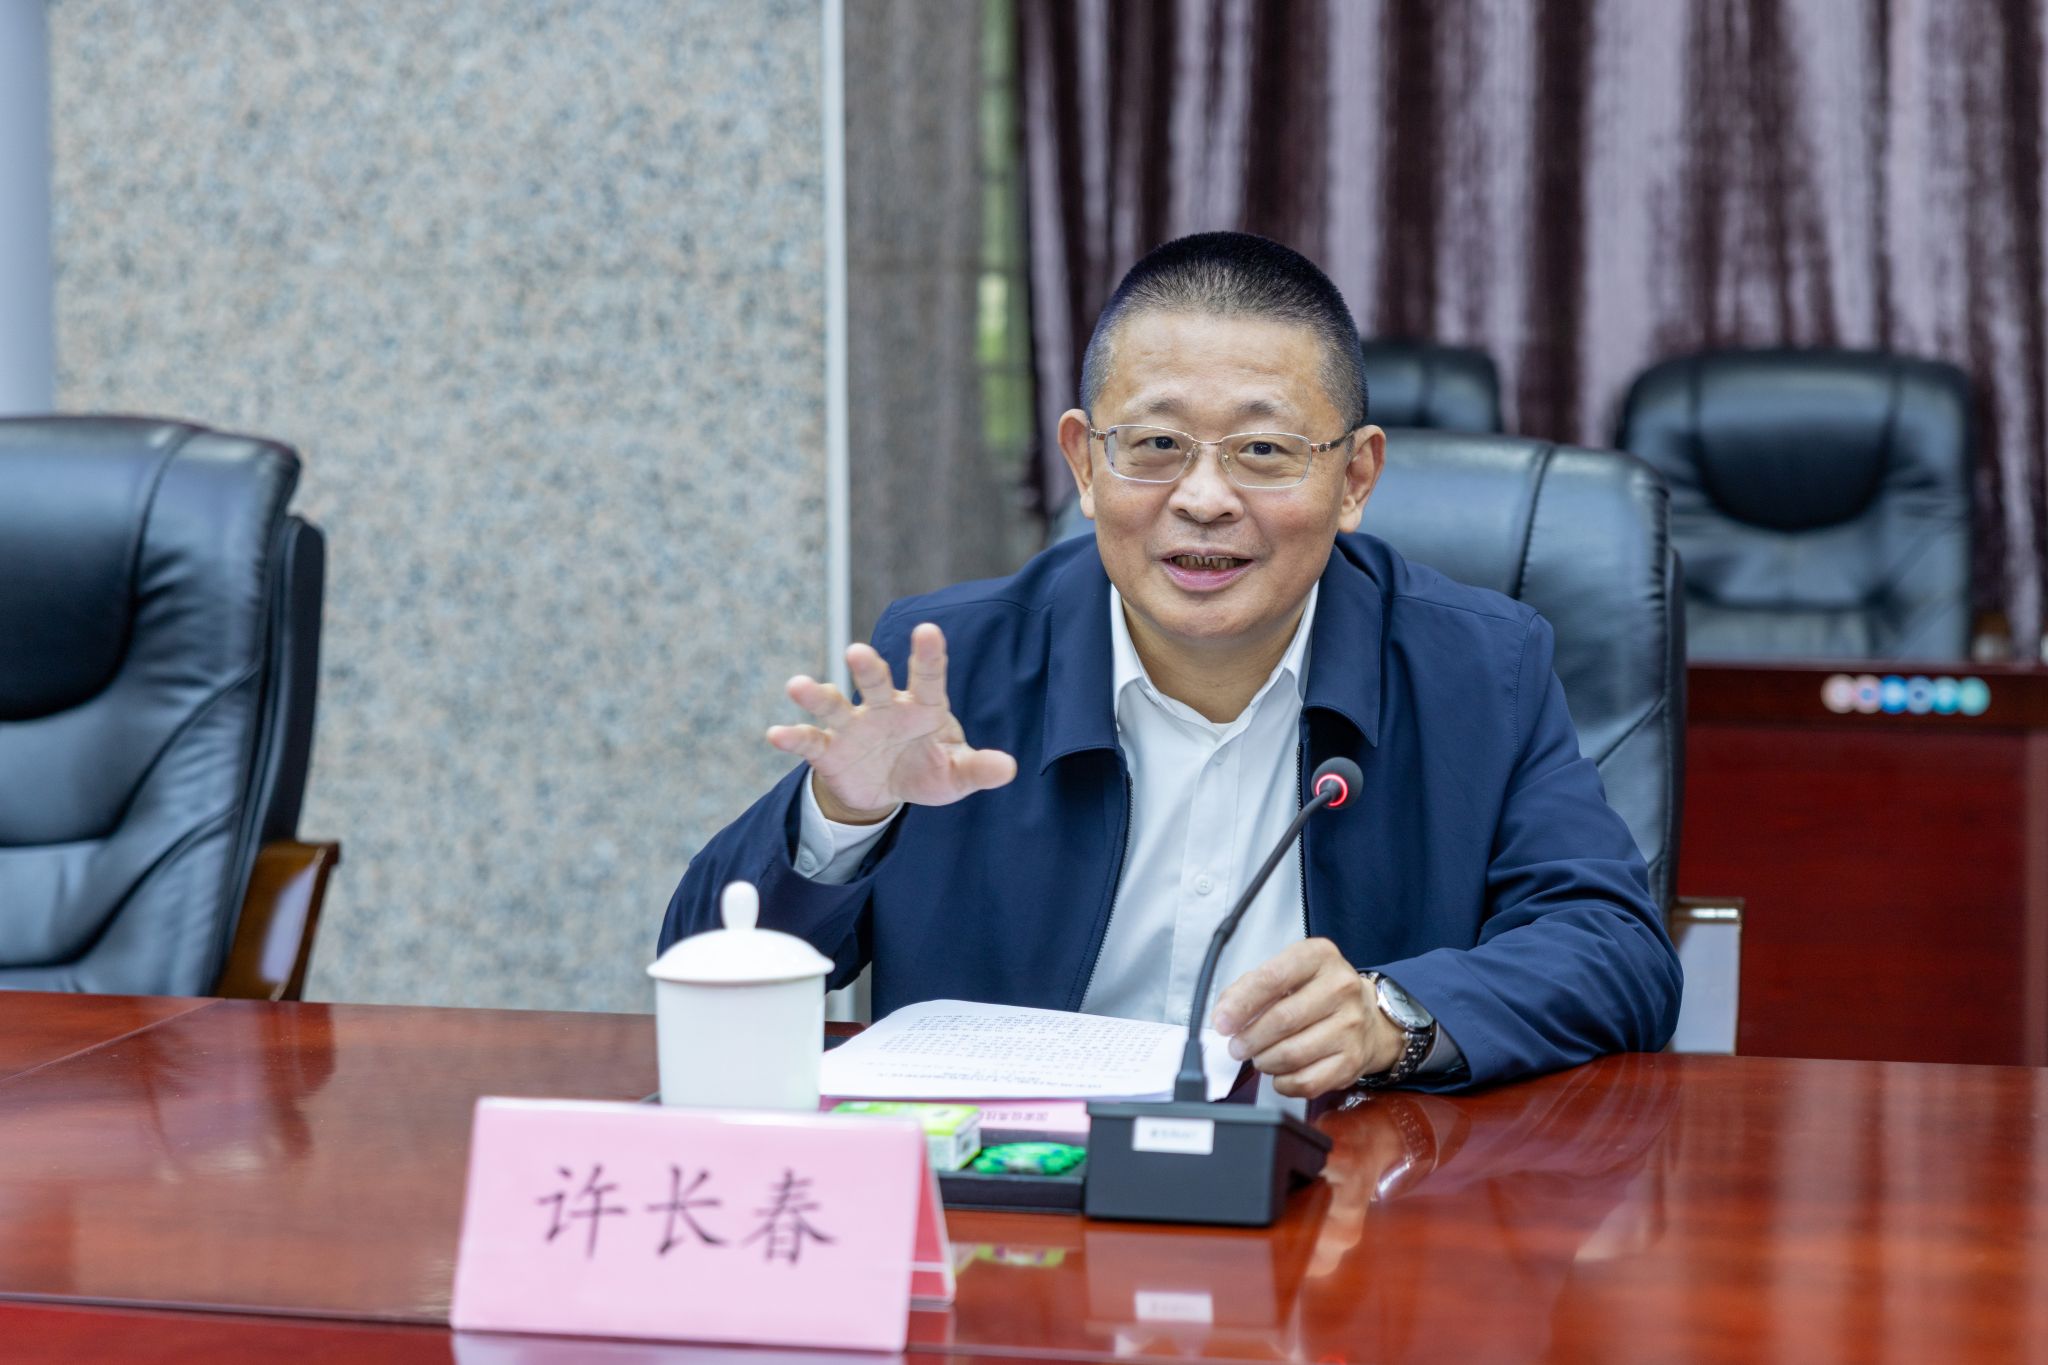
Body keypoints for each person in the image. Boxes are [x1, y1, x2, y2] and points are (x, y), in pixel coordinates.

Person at [660, 231, 1680, 1096]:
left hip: (1343, 1203)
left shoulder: (1478, 669)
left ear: (1354, 477)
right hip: (1014, 1205)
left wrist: (1390, 1017)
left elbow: (1616, 950)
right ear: (1083, 463)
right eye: (1153, 445)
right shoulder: (949, 666)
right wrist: (843, 816)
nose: (1202, 499)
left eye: (1263, 452)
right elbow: (703, 961)